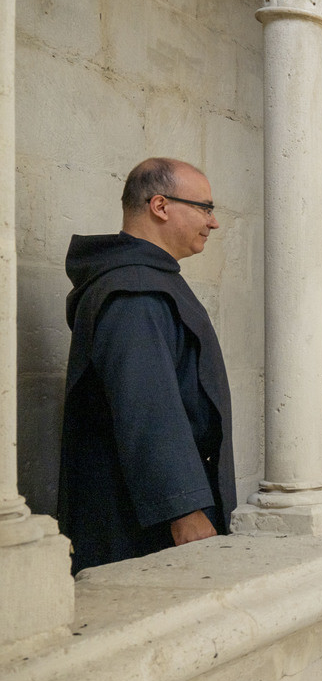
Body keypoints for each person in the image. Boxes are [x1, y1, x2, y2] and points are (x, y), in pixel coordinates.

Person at [57, 157, 234, 572]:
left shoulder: (145, 278)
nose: (213, 222)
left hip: (152, 509)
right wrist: (185, 510)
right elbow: (148, 409)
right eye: (205, 208)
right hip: (147, 521)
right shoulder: (135, 290)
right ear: (160, 206)